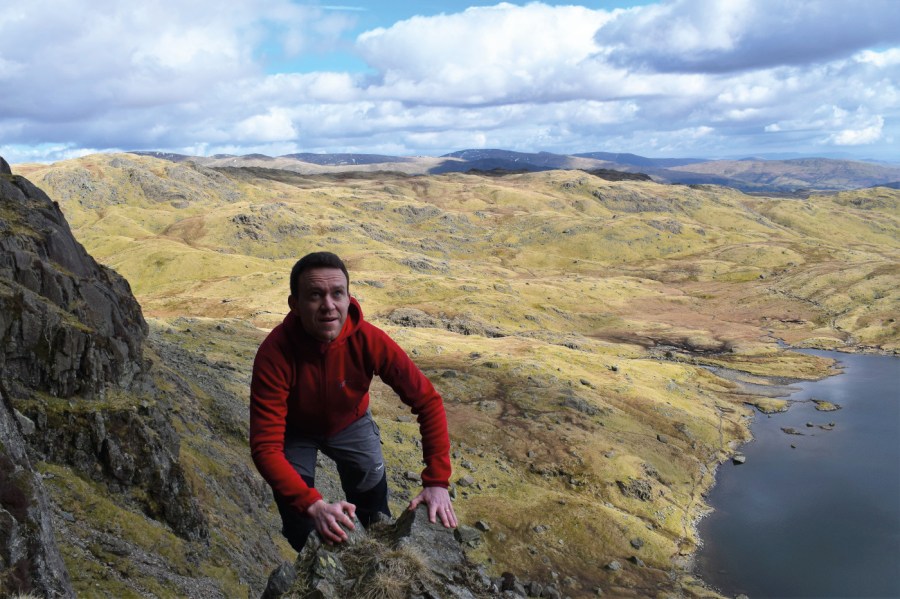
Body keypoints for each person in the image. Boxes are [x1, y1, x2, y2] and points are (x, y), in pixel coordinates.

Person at [250, 251, 457, 549]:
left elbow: (428, 401)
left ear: (349, 298)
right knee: (302, 522)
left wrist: (437, 482)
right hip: (293, 431)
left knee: (374, 514)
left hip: (351, 424)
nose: (328, 306)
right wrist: (314, 505)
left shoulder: (369, 340)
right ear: (294, 304)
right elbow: (266, 447)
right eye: (315, 295)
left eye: (337, 293)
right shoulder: (275, 354)